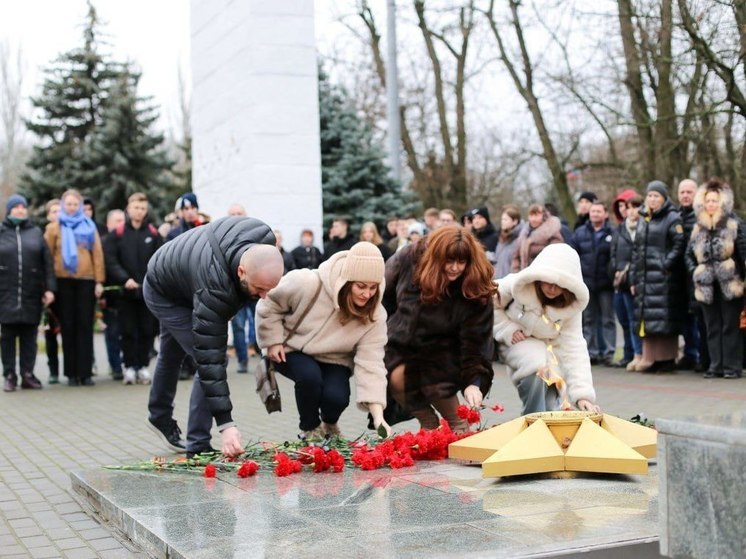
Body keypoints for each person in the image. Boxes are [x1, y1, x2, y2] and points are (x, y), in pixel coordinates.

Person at [144, 216, 284, 458]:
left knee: (171, 353)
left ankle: (159, 415)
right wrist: (226, 424)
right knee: (208, 359)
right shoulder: (215, 287)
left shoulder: (263, 240)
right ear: (241, 271)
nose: (263, 297)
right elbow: (210, 360)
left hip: (185, 279)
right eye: (259, 289)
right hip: (164, 292)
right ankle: (198, 444)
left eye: (268, 290)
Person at [256, 242, 390, 438]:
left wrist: (379, 417)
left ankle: (329, 425)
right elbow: (269, 302)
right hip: (292, 348)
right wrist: (271, 340)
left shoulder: (375, 315)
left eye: (372, 288)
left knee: (337, 398)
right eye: (361, 286)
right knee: (309, 377)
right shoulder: (308, 282)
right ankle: (309, 429)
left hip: (335, 359)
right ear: (346, 281)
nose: (367, 294)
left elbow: (372, 364)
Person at [383, 226, 496, 432]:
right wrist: (392, 326)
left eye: (461, 262)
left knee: (432, 367)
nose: (454, 268)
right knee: (394, 375)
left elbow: (477, 339)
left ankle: (458, 425)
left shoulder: (475, 284)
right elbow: (383, 295)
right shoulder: (409, 258)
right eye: (449, 261)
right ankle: (428, 422)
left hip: (448, 352)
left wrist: (474, 382)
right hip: (402, 345)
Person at [494, 243, 600, 414]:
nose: (552, 288)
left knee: (553, 389)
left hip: (549, 350)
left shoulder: (570, 308)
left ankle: (549, 422)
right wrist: (506, 328)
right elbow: (484, 304)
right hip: (515, 341)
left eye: (559, 285)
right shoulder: (516, 284)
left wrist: (582, 396)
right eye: (548, 281)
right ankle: (533, 420)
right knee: (537, 365)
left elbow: (574, 348)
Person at [685, 179, 745, 379]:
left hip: (731, 282)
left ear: (722, 202)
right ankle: (715, 365)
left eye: (715, 201)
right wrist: (696, 270)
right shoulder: (697, 228)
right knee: (711, 327)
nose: (711, 204)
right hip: (705, 284)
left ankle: (732, 367)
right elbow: (688, 255)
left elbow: (743, 252)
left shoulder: (734, 223)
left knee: (730, 326)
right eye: (708, 200)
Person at [45, 189, 105, 387]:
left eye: (74, 204)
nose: (71, 207)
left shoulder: (89, 226)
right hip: (63, 281)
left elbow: (97, 254)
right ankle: (71, 373)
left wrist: (99, 281)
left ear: (79, 206)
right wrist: (48, 285)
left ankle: (85, 372)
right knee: (68, 326)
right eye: (68, 204)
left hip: (86, 280)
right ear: (63, 206)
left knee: (84, 326)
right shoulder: (54, 227)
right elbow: (47, 255)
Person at [104, 193, 162, 385]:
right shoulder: (117, 234)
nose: (139, 211)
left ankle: (143, 367)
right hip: (125, 294)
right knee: (127, 331)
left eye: (143, 208)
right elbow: (111, 261)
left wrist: (149, 280)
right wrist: (124, 279)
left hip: (147, 292)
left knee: (147, 330)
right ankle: (129, 367)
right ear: (128, 209)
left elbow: (161, 260)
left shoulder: (153, 234)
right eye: (136, 207)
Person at [1, 195, 56, 392]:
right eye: (15, 207)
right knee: (7, 337)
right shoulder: (2, 232)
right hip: (6, 293)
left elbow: (47, 263)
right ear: (9, 210)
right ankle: (9, 374)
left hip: (31, 293)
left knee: (29, 337)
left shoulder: (35, 233)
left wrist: (50, 288)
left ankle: (27, 374)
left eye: (23, 207)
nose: (20, 210)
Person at [630, 181, 686, 372]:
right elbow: (636, 250)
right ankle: (653, 359)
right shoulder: (643, 218)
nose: (653, 199)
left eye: (657, 196)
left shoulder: (671, 218)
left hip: (663, 278)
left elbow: (679, 244)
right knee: (649, 320)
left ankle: (667, 360)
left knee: (664, 319)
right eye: (650, 196)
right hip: (645, 278)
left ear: (664, 198)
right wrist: (633, 278)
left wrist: (666, 264)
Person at [572, 201, 615, 366]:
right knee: (588, 319)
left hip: (606, 284)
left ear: (605, 214)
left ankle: (609, 353)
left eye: (598, 211)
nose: (595, 214)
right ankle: (591, 352)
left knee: (608, 319)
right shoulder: (580, 233)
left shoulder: (612, 232)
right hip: (586, 284)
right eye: (593, 211)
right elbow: (573, 255)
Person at [610, 195, 644, 370]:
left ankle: (639, 353)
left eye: (634, 207)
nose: (630, 211)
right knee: (623, 320)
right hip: (620, 282)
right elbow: (614, 253)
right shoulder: (620, 229)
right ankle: (628, 353)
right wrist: (615, 270)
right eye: (627, 207)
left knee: (634, 320)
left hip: (635, 280)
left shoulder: (644, 227)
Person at [676, 178, 704, 371]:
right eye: (682, 192)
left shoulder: (702, 216)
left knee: (699, 318)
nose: (686, 195)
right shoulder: (676, 216)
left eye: (689, 192)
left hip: (695, 275)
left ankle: (703, 356)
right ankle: (690, 353)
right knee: (685, 318)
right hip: (678, 277)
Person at [101, 209, 126, 381]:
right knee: (112, 332)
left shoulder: (127, 241)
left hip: (126, 295)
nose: (120, 224)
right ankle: (115, 365)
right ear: (109, 223)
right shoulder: (103, 242)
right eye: (117, 221)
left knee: (126, 332)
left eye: (122, 221)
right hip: (110, 295)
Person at [42, 199, 62, 384]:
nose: (57, 214)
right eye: (53, 211)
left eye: (60, 210)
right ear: (48, 215)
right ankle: (53, 369)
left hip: (66, 287)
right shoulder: (46, 234)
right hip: (51, 287)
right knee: (50, 333)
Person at [511, 204, 564, 272]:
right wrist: (517, 273)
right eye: (531, 215)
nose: (533, 219)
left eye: (536, 215)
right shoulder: (524, 234)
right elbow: (516, 257)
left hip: (546, 274)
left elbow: (556, 254)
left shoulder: (551, 231)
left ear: (543, 215)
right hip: (526, 277)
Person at [494, 205, 523, 279]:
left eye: (505, 220)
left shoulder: (521, 238)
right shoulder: (502, 237)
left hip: (512, 283)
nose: (502, 222)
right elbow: (497, 258)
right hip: (499, 283)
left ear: (515, 221)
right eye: (502, 219)